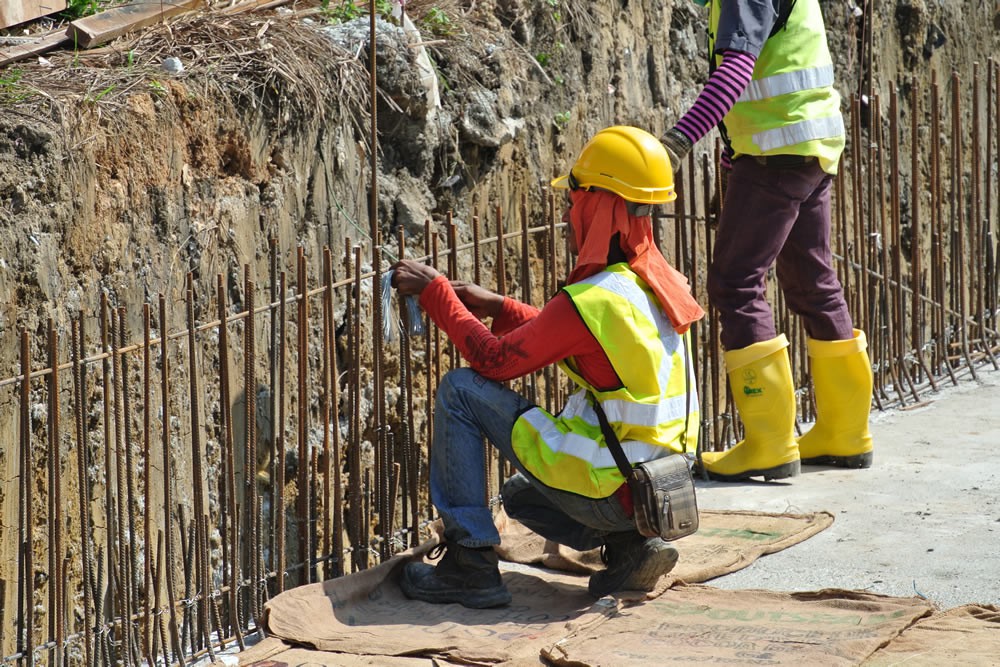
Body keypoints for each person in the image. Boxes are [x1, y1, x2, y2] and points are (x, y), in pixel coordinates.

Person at [390, 126, 705, 608]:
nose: (566, 212)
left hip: (613, 486)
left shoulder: (596, 297)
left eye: (575, 197)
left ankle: (469, 565)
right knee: (520, 497)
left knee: (459, 389)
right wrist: (498, 305)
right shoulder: (656, 284)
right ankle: (630, 547)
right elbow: (583, 343)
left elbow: (494, 360)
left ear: (600, 202)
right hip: (658, 490)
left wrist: (437, 294)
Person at [658, 0, 874, 482]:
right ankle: (845, 431)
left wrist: (678, 140)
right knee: (812, 280)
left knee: (736, 284)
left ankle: (771, 444)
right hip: (812, 145)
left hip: (775, 150)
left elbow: (737, 69)